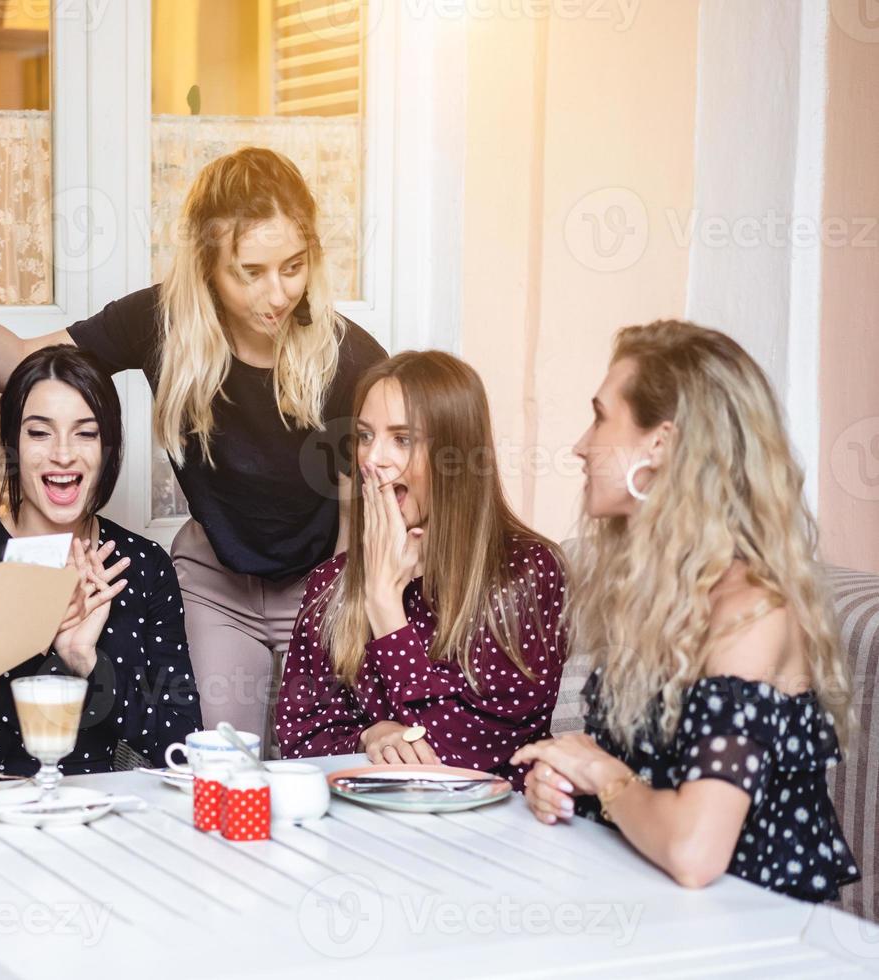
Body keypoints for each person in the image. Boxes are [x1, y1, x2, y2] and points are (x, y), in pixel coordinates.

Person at [0, 147, 386, 742]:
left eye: (293, 266)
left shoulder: (349, 355)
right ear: (209, 265)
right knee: (208, 761)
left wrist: (346, 619)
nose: (279, 294)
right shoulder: (162, 319)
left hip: (320, 585)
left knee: (317, 761)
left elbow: (368, 510)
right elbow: (29, 367)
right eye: (250, 272)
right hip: (217, 584)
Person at [513, 321, 859, 902]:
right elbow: (650, 788)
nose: (580, 443)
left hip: (756, 940)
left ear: (660, 444)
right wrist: (572, 785)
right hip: (663, 912)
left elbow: (697, 853)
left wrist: (601, 773)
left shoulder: (751, 613)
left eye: (600, 416)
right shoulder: (665, 598)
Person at [276, 351, 567, 789]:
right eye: (365, 436)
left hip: (495, 835)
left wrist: (386, 609)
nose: (373, 460)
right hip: (369, 831)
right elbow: (299, 736)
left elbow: (468, 758)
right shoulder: (331, 583)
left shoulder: (527, 573)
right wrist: (370, 736)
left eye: (403, 439)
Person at [0, 346, 201, 774]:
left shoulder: (142, 565)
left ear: (108, 447)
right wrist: (27, 628)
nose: (63, 454)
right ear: (12, 445)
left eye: (86, 433)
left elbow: (182, 743)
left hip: (109, 817)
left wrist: (86, 660)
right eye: (39, 433)